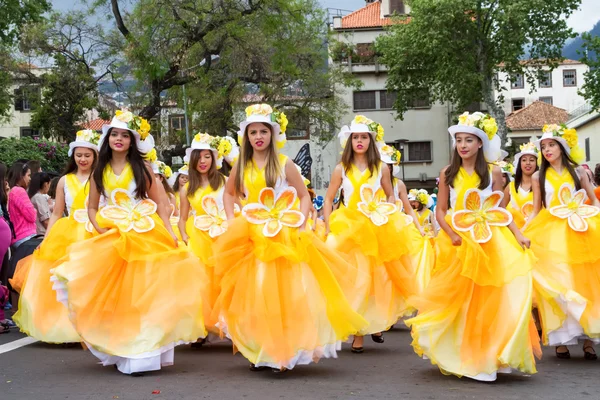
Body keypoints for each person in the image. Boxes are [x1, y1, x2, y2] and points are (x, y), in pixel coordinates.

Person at [51, 110, 207, 375]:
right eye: (115, 134)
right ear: (108, 139)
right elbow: (91, 207)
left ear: (133, 141)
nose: (119, 139)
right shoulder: (100, 169)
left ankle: (144, 351)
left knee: (146, 296)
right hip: (114, 236)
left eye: (125, 135)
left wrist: (170, 233)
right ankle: (121, 346)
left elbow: (160, 205)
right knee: (115, 296)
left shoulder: (143, 168)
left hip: (146, 235)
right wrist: (100, 227)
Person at [214, 104, 366, 372]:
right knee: (254, 295)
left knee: (283, 295)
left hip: (282, 237)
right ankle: (260, 350)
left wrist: (301, 222)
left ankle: (280, 352)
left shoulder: (285, 164)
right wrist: (230, 219)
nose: (258, 136)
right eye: (253, 132)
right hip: (250, 236)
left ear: (273, 134)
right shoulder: (241, 165)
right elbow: (228, 193)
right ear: (246, 137)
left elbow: (304, 195)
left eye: (263, 131)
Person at [406, 112, 540, 381]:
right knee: (459, 299)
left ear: (480, 143)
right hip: (457, 243)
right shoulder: (447, 173)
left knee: (490, 298)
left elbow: (500, 211)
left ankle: (489, 354)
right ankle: (461, 353)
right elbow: (441, 210)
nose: (463, 145)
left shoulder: (493, 172)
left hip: (490, 239)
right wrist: (451, 234)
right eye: (459, 140)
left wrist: (517, 235)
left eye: (469, 140)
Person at [324, 115, 430, 353]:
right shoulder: (341, 169)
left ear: (371, 142)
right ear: (349, 141)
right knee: (349, 279)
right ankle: (357, 326)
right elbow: (329, 198)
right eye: (355, 137)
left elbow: (390, 195)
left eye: (364, 137)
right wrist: (329, 223)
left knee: (373, 280)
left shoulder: (381, 168)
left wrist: (386, 212)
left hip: (375, 227)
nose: (359, 141)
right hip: (348, 227)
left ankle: (365, 330)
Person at [11, 130, 100, 343]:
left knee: (94, 280)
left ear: (95, 156)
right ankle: (67, 327)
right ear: (73, 156)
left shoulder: (101, 178)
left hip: (96, 231)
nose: (83, 159)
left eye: (87, 155)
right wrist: (48, 238)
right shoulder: (64, 181)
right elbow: (57, 212)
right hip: (69, 233)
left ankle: (96, 323)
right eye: (79, 155)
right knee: (65, 281)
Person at [524, 124, 600, 360]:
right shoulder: (538, 176)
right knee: (558, 285)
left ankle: (588, 340)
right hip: (551, 233)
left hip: (580, 230)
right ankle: (561, 340)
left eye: (551, 145)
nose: (547, 150)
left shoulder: (579, 172)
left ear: (563, 147)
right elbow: (537, 208)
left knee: (584, 284)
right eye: (544, 146)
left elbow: (592, 199)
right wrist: (522, 231)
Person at [178, 132, 238, 344]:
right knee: (201, 284)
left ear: (214, 159)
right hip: (199, 238)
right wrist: (184, 236)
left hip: (223, 236)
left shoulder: (225, 181)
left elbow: (237, 204)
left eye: (207, 156)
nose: (202, 161)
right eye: (198, 157)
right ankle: (200, 328)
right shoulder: (187, 188)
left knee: (226, 281)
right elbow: (182, 217)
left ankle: (232, 327)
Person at [501, 142, 538, 229]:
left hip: (536, 230)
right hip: (515, 233)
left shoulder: (542, 185)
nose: (528, 163)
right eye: (524, 160)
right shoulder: (511, 186)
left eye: (532, 160)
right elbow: (502, 210)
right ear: (519, 163)